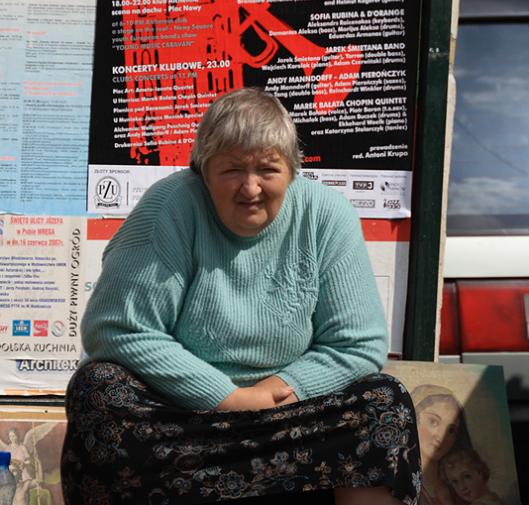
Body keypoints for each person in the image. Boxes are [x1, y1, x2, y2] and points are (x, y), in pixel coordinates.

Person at [61, 88, 422, 505]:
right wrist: (228, 398)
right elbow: (117, 327)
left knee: (383, 402)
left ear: (292, 170)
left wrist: (277, 390)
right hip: (184, 419)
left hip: (289, 415)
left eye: (268, 169)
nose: (250, 188)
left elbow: (359, 342)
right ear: (203, 170)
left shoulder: (326, 214)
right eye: (232, 169)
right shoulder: (171, 205)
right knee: (99, 389)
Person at [411, 385, 472, 505]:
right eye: (433, 421)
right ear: (414, 418)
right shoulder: (398, 481)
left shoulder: (460, 489)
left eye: (451, 430)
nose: (441, 436)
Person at [439, 447, 504, 505]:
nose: (462, 487)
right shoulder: (492, 497)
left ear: (479, 472)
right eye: (455, 481)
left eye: (466, 476)